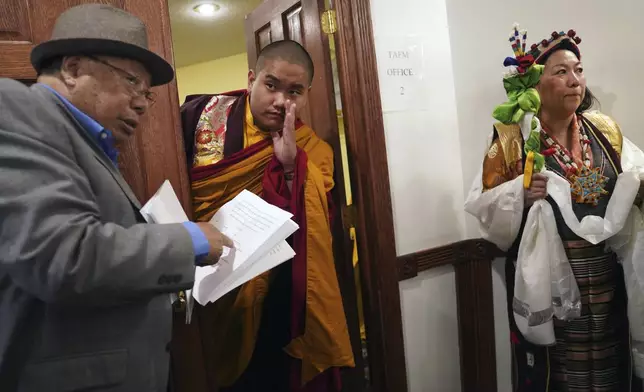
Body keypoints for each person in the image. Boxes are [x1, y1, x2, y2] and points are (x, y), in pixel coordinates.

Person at [0, 4, 232, 391]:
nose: (142, 102)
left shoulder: (84, 142)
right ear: (73, 68)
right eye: (131, 82)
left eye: (148, 93)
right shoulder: (17, 107)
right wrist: (188, 240)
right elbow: (62, 255)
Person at [466, 26, 644, 391]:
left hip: (609, 284)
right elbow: (484, 211)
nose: (574, 80)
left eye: (578, 70)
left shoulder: (604, 130)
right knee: (556, 375)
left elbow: (636, 175)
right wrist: (519, 193)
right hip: (552, 284)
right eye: (561, 72)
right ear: (534, 85)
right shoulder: (511, 140)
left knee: (613, 369)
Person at [179, 40, 355, 392]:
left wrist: (291, 167)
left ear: (306, 95)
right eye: (271, 85)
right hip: (197, 275)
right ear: (251, 80)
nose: (280, 101)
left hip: (272, 290)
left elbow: (317, 228)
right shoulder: (204, 117)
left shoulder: (313, 149)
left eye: (294, 92)